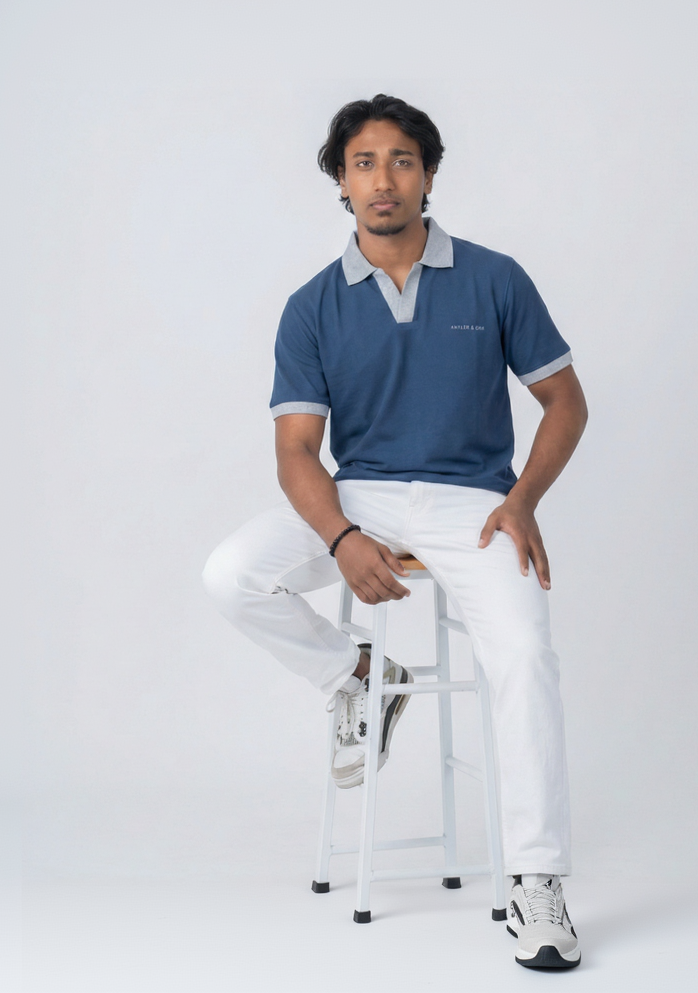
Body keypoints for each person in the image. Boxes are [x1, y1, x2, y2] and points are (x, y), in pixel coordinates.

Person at [202, 94, 588, 970]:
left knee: (526, 655)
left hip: (474, 505)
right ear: (341, 181)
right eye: (365, 162)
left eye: (402, 160)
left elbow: (564, 401)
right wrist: (340, 536)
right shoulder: (312, 305)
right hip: (363, 496)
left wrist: (523, 500)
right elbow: (297, 451)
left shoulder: (495, 277)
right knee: (232, 574)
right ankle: (361, 674)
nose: (384, 178)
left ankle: (537, 881)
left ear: (429, 173)